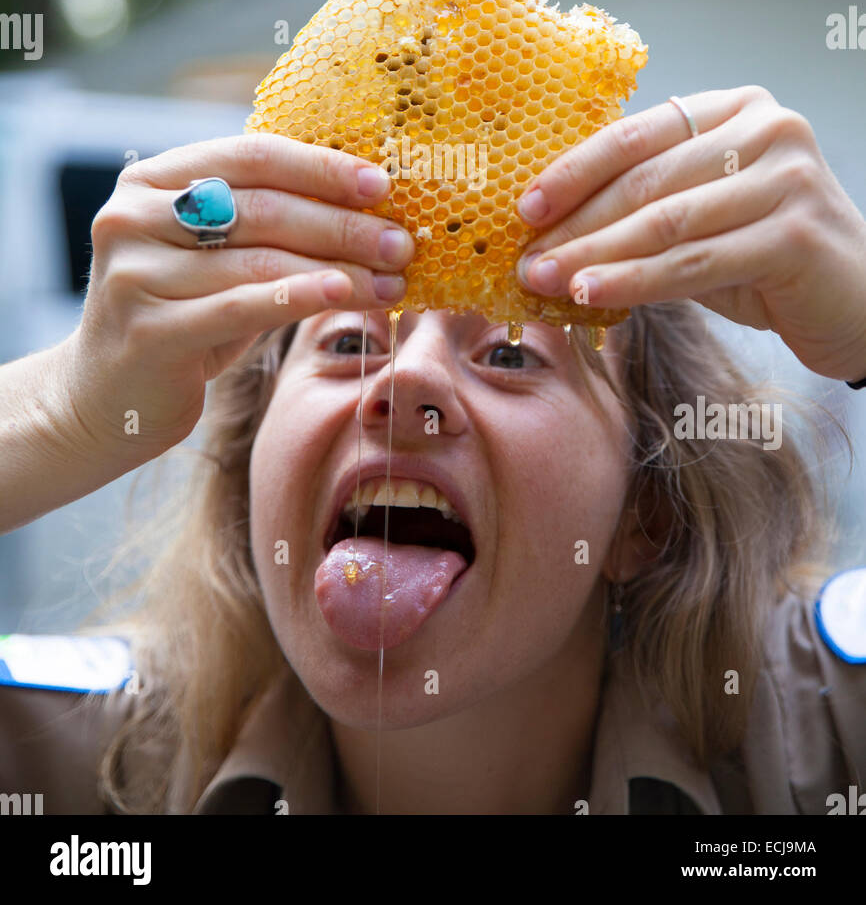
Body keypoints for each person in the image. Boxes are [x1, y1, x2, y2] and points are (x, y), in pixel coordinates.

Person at [1, 85, 864, 815]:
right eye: (347, 342)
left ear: (647, 513)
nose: (403, 382)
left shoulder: (824, 736)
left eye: (511, 353)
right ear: (251, 471)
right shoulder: (73, 764)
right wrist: (64, 414)